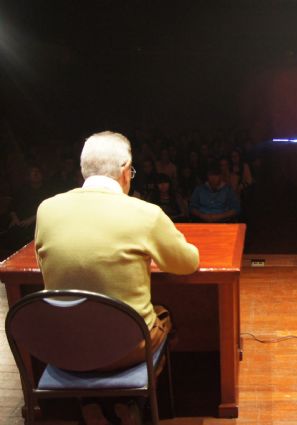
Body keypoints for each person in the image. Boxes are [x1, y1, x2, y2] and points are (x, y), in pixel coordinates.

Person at [35, 131, 200, 425]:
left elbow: (45, 267)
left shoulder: (47, 209)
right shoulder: (145, 213)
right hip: (126, 348)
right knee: (166, 316)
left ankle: (90, 402)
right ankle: (132, 401)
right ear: (125, 171)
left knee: (87, 327)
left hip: (63, 344)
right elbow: (187, 263)